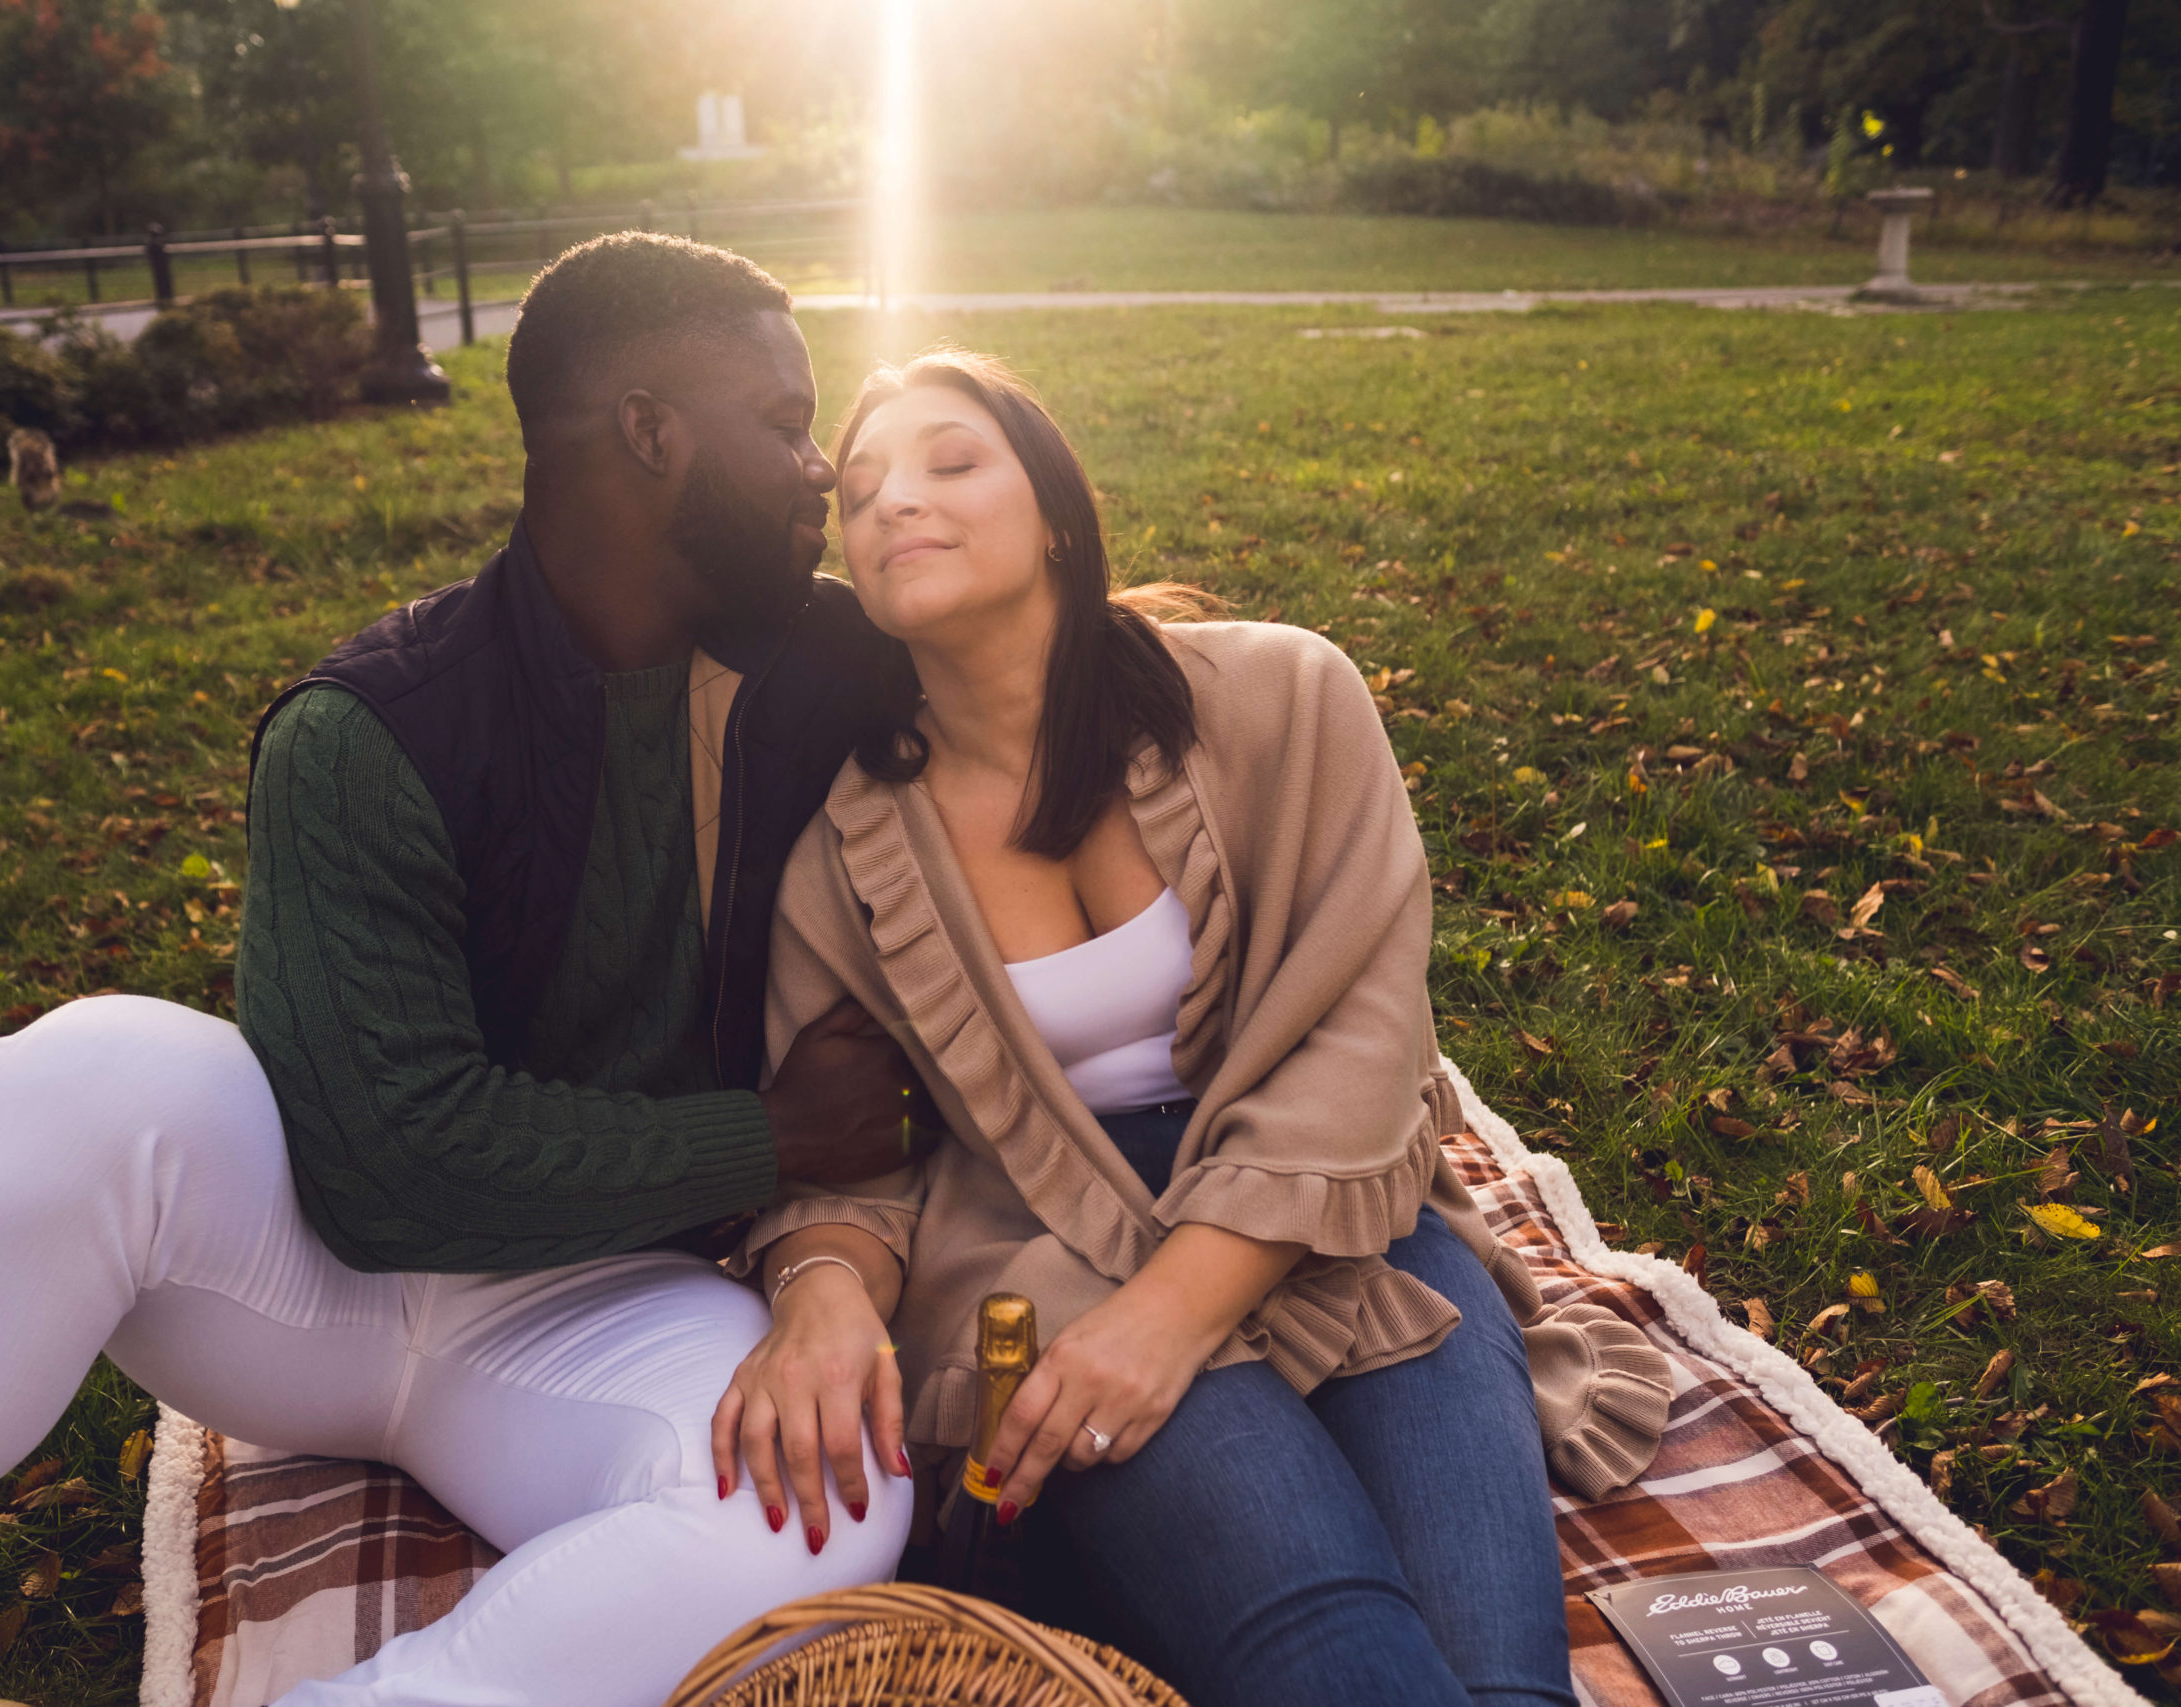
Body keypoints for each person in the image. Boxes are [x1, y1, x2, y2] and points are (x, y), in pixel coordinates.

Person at [0, 235, 924, 1707]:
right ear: (649, 431)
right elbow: (388, 1173)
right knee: (82, 1070)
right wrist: (770, 1135)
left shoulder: (819, 661)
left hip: (613, 1309)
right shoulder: (372, 726)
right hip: (315, 1285)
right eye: (783, 420)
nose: (820, 466)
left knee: (829, 1501)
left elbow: (1045, 652)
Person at [711, 349, 1676, 1707]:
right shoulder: (849, 849)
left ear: (1054, 509)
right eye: (858, 491)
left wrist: (1171, 1312)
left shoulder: (1285, 696)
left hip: (1339, 1222)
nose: (891, 504)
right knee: (1330, 1645)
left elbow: (1367, 1040)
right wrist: (816, 1295)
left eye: (949, 460)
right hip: (1048, 1271)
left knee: (1502, 1675)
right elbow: (841, 1158)